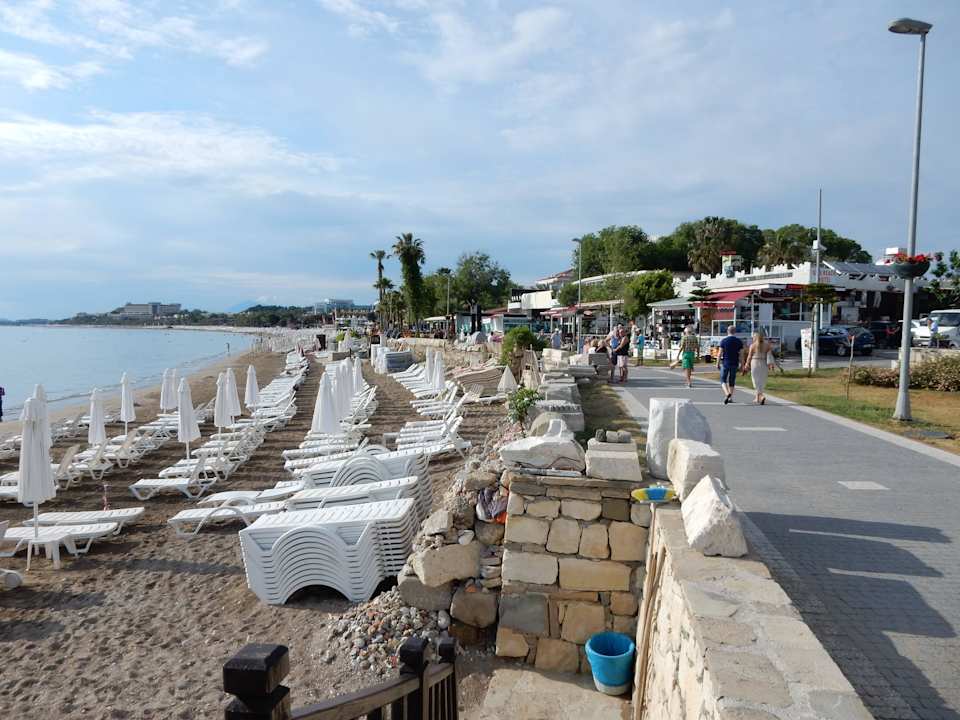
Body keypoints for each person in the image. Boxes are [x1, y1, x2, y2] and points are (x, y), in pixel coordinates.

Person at [743, 329, 776, 405]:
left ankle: (761, 396)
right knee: (762, 381)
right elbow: (770, 355)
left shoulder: (753, 345)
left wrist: (746, 364)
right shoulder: (767, 345)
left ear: (756, 337)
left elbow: (749, 356)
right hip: (764, 363)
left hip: (755, 363)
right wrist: (771, 365)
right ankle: (757, 398)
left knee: (755, 381)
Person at [717, 325, 744, 404]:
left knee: (723, 379)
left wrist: (717, 363)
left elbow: (719, 353)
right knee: (732, 380)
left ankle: (726, 393)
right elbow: (742, 354)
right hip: (735, 363)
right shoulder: (739, 341)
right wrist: (742, 364)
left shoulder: (724, 341)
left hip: (725, 363)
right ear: (735, 332)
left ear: (727, 331)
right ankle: (730, 397)